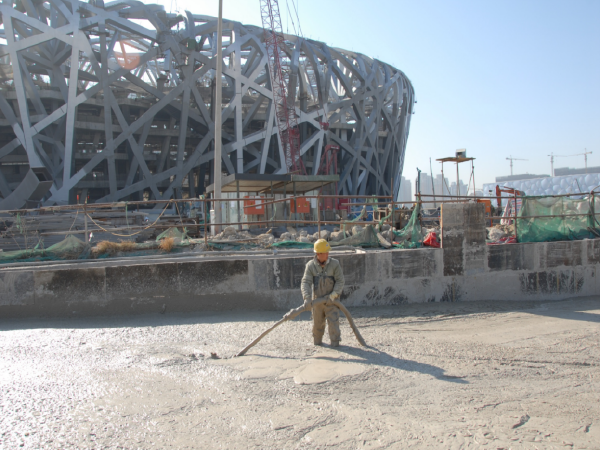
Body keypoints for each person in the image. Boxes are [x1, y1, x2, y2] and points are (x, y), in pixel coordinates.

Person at [301, 239, 345, 347]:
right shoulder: (310, 266)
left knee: (334, 324)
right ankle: (317, 343)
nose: (328, 254)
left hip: (332, 302)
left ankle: (335, 344)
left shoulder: (335, 264)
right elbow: (306, 282)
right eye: (326, 252)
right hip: (317, 303)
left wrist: (334, 295)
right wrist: (307, 297)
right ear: (318, 254)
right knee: (317, 326)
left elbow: (340, 280)